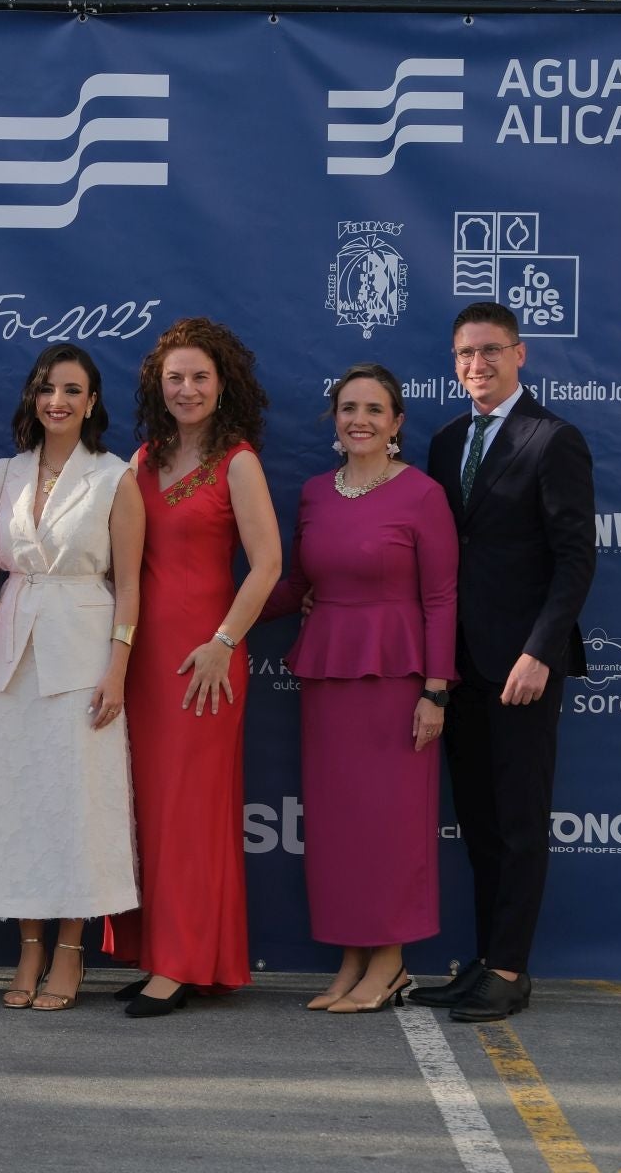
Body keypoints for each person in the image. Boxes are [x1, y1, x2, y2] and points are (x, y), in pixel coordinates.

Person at [411, 302, 594, 1023]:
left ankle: (512, 970)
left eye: (490, 351)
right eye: (464, 354)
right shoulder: (448, 439)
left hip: (522, 668)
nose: (476, 365)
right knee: (481, 825)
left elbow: (576, 559)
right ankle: (485, 963)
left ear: (521, 355)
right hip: (457, 667)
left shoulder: (554, 440)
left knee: (519, 825)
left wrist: (540, 651)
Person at [262, 363, 458, 1014]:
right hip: (329, 681)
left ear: (397, 423)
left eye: (374, 409)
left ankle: (391, 962)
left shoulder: (422, 495)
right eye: (348, 408)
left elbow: (440, 598)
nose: (360, 420)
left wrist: (435, 692)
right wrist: (220, 614)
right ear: (334, 420)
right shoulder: (316, 492)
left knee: (391, 827)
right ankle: (351, 957)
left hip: (399, 684)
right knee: (341, 826)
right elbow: (296, 586)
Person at [107, 316, 281, 1018]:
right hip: (143, 658)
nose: (187, 389)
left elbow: (268, 564)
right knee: (147, 807)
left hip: (205, 661)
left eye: (199, 377)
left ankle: (183, 963)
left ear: (223, 383)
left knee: (190, 812)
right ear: (158, 384)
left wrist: (224, 642)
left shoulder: (239, 460)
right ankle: (159, 952)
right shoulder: (142, 460)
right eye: (174, 377)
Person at [0, 345, 142, 1012]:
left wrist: (118, 667)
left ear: (92, 402)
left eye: (72, 390)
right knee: (17, 802)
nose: (57, 401)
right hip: (11, 655)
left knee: (76, 804)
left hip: (84, 648)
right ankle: (28, 944)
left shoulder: (114, 477)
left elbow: (129, 586)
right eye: (46, 389)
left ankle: (70, 948)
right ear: (31, 397)